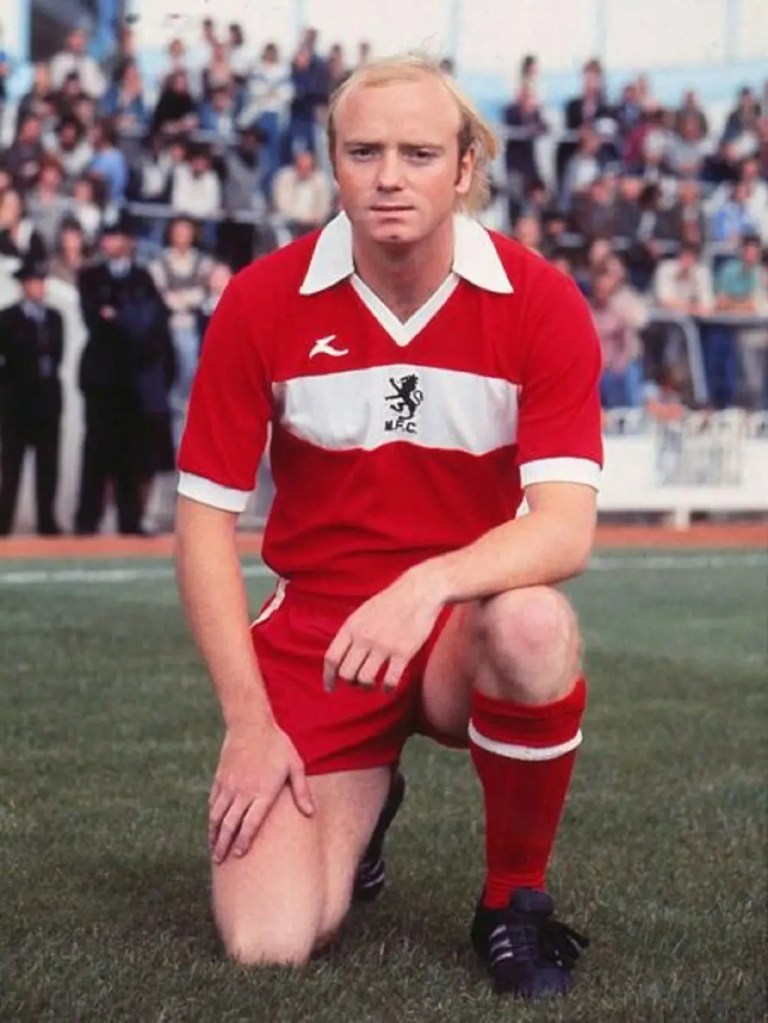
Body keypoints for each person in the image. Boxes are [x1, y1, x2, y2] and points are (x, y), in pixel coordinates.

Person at [175, 54, 601, 1000]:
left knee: (534, 623)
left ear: (465, 165)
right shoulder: (262, 300)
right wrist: (249, 723)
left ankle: (512, 900)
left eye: (419, 153)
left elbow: (566, 530)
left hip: (455, 625)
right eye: (364, 152)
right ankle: (367, 805)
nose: (389, 177)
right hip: (323, 637)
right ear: (333, 161)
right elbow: (202, 523)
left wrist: (426, 584)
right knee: (270, 941)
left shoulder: (539, 300)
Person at [75, 209, 175, 535]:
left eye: (116, 235)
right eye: (107, 236)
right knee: (96, 450)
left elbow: (153, 323)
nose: (109, 242)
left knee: (131, 452)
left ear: (129, 240)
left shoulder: (142, 277)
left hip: (133, 378)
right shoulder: (91, 276)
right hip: (101, 378)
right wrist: (127, 319)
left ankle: (129, 521)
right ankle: (86, 521)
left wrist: (118, 316)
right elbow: (96, 320)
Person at [0, 258, 64, 535]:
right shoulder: (7, 318)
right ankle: (4, 520)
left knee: (47, 464)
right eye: (34, 282)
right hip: (17, 401)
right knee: (11, 463)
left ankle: (46, 520)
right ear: (23, 286)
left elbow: (57, 355)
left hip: (47, 399)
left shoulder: (54, 317)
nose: (39, 287)